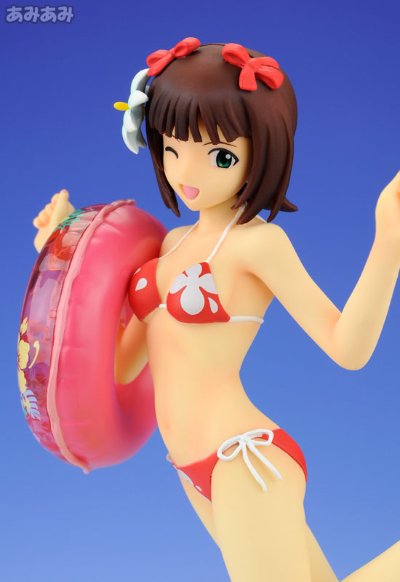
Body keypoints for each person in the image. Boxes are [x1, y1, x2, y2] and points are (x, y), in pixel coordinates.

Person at [33, 38, 400, 581]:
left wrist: (388, 241)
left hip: (242, 458)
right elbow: (121, 366)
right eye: (172, 147)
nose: (188, 169)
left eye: (220, 155)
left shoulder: (257, 245)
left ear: (260, 153)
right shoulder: (167, 246)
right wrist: (63, 254)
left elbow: (348, 348)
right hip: (190, 468)